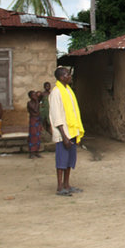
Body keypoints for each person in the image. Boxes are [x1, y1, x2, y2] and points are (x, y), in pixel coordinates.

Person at [49, 67, 84, 196]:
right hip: (63, 133)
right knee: (61, 160)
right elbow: (56, 116)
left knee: (69, 160)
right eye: (68, 74)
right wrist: (64, 136)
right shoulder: (56, 93)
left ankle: (67, 184)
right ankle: (59, 186)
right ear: (62, 77)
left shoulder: (68, 91)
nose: (70, 76)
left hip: (71, 131)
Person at [27, 90, 43, 158]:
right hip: (33, 120)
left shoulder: (37, 102)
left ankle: (37, 151)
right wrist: (37, 101)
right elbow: (35, 110)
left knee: (38, 136)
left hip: (38, 119)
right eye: (33, 95)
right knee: (33, 136)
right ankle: (32, 152)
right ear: (30, 96)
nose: (35, 96)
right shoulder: (30, 103)